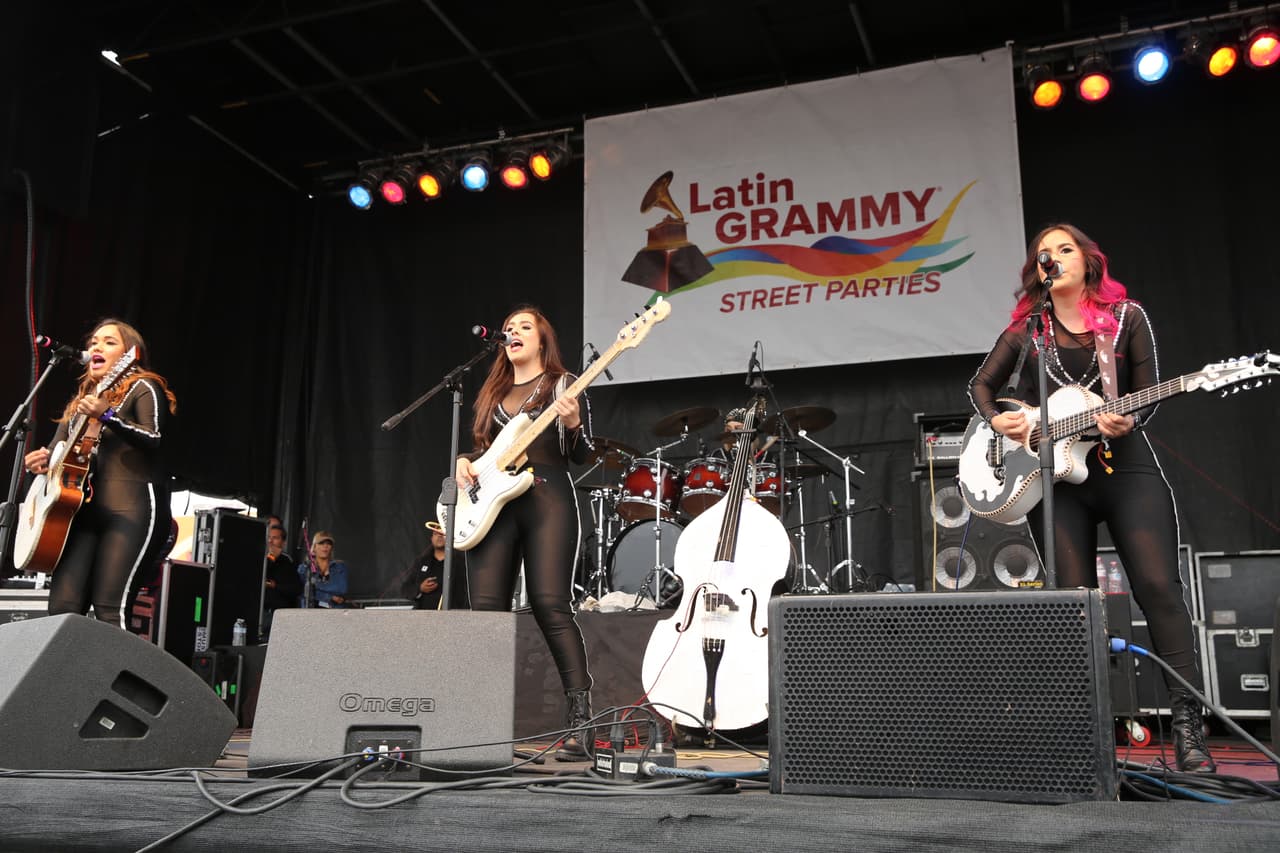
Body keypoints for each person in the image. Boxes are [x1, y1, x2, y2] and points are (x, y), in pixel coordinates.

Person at [967, 223, 1214, 773]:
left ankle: (1188, 729)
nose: (1051, 258)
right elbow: (980, 387)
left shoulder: (1128, 319)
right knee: (1076, 607)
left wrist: (1129, 418)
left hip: (1125, 469)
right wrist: (1000, 420)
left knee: (1157, 588)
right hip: (1056, 480)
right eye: (1042, 254)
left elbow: (1149, 390)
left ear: (1087, 260)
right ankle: (1090, 736)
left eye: (1064, 248)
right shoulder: (1029, 330)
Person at [454, 306, 595, 759]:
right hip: (495, 505)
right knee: (486, 613)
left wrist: (572, 425)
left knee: (551, 605)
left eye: (524, 327)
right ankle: (480, 724)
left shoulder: (561, 385)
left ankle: (581, 721)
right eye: (509, 328)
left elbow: (584, 457)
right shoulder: (492, 393)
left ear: (541, 341)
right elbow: (486, 452)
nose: (513, 332)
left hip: (546, 498)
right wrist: (465, 463)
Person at [22, 319, 177, 629]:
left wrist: (108, 416)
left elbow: (155, 439)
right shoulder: (80, 404)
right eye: (93, 342)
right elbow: (58, 454)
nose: (95, 346)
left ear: (129, 353)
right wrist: (42, 461)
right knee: (62, 610)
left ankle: (113, 678)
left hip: (131, 511)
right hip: (80, 514)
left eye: (108, 342)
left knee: (111, 610)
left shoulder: (143, 386)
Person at [400, 521, 468, 610]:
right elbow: (405, 588)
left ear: (451, 538)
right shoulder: (421, 561)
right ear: (431, 538)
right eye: (436, 533)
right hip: (423, 617)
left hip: (452, 617)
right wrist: (420, 588)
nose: (439, 536)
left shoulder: (461, 562)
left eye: (443, 533)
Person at [261, 520, 301, 636]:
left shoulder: (288, 561)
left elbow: (296, 589)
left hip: (281, 614)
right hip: (261, 613)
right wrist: (271, 558)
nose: (270, 541)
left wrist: (275, 586)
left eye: (275, 538)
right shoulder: (260, 558)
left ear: (283, 543)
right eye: (269, 537)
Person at [298, 529, 348, 608]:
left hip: (334, 612)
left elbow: (341, 590)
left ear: (332, 548)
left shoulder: (339, 566)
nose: (325, 546)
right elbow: (302, 592)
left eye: (329, 543)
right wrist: (330, 596)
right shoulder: (305, 568)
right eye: (321, 543)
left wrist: (315, 587)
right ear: (314, 547)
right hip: (310, 612)